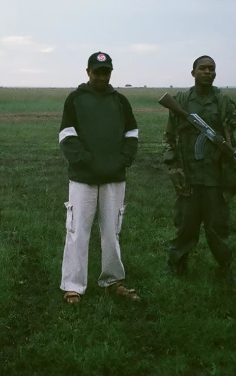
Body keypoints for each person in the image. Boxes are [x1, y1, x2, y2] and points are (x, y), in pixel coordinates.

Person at [58, 51, 141, 304]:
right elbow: (67, 135)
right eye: (97, 72)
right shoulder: (75, 99)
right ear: (88, 72)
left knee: (111, 231)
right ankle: (73, 285)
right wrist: (86, 160)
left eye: (106, 72)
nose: (102, 76)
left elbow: (132, 134)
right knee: (77, 231)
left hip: (114, 179)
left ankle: (113, 281)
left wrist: (122, 160)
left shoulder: (120, 101)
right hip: (83, 179)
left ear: (111, 74)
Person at [163, 55, 236, 282]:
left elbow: (235, 139)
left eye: (211, 69)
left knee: (218, 228)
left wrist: (233, 165)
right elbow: (169, 137)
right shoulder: (181, 100)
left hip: (215, 177)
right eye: (202, 68)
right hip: (187, 176)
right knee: (185, 227)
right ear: (193, 73)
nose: (207, 72)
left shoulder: (224, 102)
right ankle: (176, 266)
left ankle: (226, 269)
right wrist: (173, 167)